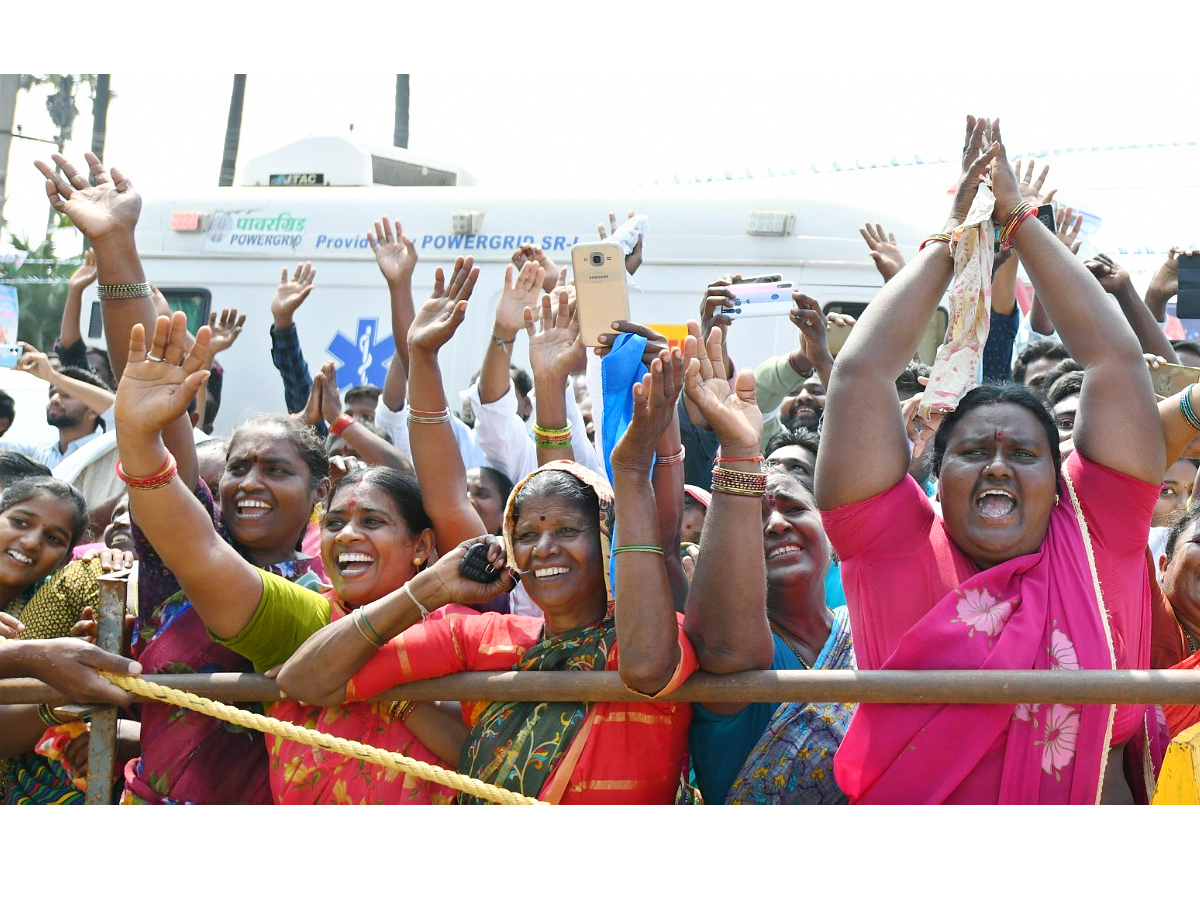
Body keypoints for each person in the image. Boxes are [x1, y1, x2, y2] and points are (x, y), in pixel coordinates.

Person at [815, 117, 1167, 804]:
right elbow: (860, 377)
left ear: (1063, 482)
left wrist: (1018, 221)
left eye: (1024, 453)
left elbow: (1115, 361)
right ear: (933, 480)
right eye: (973, 451)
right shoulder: (893, 543)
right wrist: (956, 236)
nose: (999, 466)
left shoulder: (1098, 536)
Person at [107, 263, 485, 804]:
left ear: (424, 546)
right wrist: (140, 442)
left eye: (373, 522)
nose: (347, 536)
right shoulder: (310, 613)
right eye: (334, 523)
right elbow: (200, 550)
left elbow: (444, 495)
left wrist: (421, 358)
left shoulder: (469, 616)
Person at [278, 343, 697, 804]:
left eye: (567, 529)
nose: (543, 549)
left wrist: (632, 470)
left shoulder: (659, 637)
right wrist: (433, 584)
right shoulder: (484, 638)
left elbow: (646, 667)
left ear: (605, 540)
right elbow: (303, 681)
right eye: (527, 534)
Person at [681, 322, 854, 804]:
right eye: (757, 518)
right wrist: (739, 452)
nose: (777, 524)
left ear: (832, 536)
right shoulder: (743, 646)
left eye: (794, 508)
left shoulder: (865, 631)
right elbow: (726, 643)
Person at [0, 476, 105, 803]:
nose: (31, 542)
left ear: (63, 559)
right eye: (19, 522)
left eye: (53, 538)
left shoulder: (46, 606)